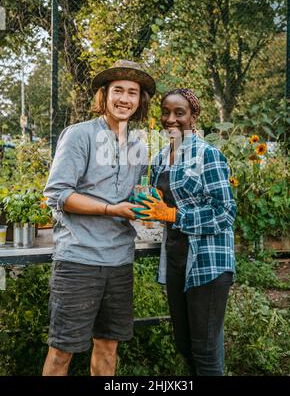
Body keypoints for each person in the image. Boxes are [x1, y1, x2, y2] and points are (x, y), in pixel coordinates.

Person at [42, 60, 155, 376]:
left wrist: (149, 205)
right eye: (117, 90)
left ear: (140, 101)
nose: (125, 99)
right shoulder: (80, 135)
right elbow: (58, 194)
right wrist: (110, 209)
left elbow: (138, 194)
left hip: (119, 260)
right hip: (79, 259)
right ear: (103, 96)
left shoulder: (138, 144)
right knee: (62, 351)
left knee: (107, 349)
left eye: (133, 92)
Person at [133, 88, 236, 376]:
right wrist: (150, 214)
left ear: (193, 116)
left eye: (179, 113)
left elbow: (225, 212)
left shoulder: (209, 155)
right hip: (177, 260)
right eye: (166, 112)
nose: (171, 119)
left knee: (204, 350)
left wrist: (174, 215)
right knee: (184, 344)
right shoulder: (161, 158)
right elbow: (156, 203)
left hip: (207, 262)